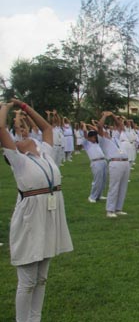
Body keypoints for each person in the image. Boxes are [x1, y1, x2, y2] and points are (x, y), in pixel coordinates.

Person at [0, 100, 73, 322]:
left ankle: (35, 319)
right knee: (28, 280)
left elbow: (47, 129)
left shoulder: (46, 154)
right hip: (30, 220)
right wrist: (4, 107)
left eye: (24, 137)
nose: (22, 139)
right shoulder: (19, 161)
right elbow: (1, 129)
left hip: (49, 217)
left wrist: (25, 107)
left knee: (41, 278)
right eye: (18, 140)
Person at [96, 112, 131, 218]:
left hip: (125, 162)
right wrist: (105, 116)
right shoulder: (103, 141)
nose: (107, 132)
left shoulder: (115, 138)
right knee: (114, 186)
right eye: (105, 131)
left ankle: (118, 208)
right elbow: (99, 126)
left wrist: (114, 116)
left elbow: (120, 125)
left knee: (123, 186)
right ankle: (110, 210)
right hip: (115, 162)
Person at [81, 122, 108, 203]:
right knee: (97, 180)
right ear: (89, 138)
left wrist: (90, 125)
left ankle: (99, 195)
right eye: (93, 137)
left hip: (103, 161)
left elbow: (98, 131)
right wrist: (85, 125)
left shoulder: (96, 143)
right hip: (96, 162)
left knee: (103, 179)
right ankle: (92, 196)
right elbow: (85, 133)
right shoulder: (87, 144)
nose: (95, 138)